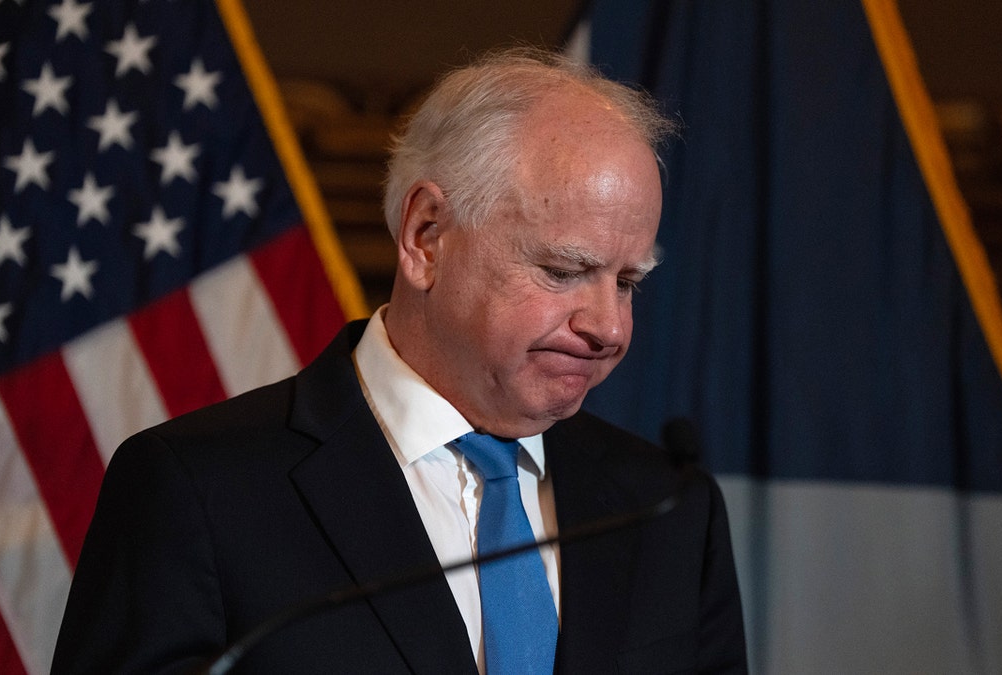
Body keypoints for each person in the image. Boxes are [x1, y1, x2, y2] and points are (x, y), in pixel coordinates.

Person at [53, 48, 747, 674]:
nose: (609, 326)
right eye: (565, 270)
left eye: (627, 283)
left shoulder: (670, 511)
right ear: (426, 236)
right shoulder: (196, 491)